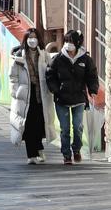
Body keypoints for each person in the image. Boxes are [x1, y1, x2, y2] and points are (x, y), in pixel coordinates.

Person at [47, 28, 99, 164]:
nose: (68, 44)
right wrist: (56, 90)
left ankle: (76, 149)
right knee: (65, 129)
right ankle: (66, 154)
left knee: (78, 126)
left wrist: (92, 89)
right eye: (66, 41)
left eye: (70, 42)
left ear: (77, 43)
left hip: (79, 99)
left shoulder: (85, 60)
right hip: (61, 99)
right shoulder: (58, 59)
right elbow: (50, 75)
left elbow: (92, 76)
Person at [9, 27, 57, 164]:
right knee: (28, 124)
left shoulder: (45, 55)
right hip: (25, 96)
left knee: (40, 123)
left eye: (34, 37)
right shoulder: (19, 56)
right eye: (29, 38)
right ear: (25, 39)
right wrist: (16, 91)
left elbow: (50, 72)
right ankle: (31, 154)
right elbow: (13, 76)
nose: (32, 40)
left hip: (41, 94)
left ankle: (39, 148)